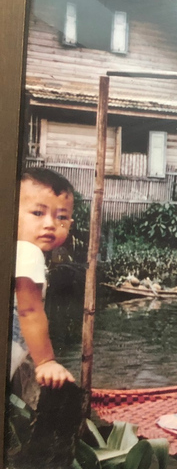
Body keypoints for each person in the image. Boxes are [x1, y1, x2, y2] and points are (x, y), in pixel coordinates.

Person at [11, 168, 76, 401]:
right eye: (38, 212)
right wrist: (46, 361)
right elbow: (29, 310)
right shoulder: (28, 252)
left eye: (61, 217)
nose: (50, 223)